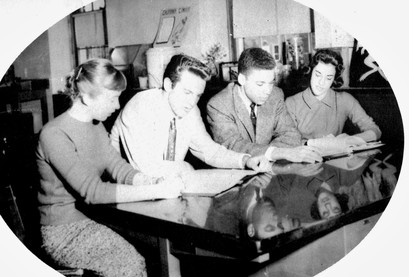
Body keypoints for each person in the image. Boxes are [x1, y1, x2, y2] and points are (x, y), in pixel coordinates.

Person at [36, 59, 184, 277]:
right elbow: (93, 192)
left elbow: (117, 167)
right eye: (112, 99)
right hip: (63, 231)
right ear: (86, 98)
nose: (117, 106)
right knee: (131, 265)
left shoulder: (96, 125)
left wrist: (150, 181)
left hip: (97, 217)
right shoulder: (54, 134)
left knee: (157, 248)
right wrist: (157, 192)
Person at [110, 54, 270, 178]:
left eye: (197, 95)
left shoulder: (188, 110)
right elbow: (145, 170)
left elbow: (210, 151)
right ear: (168, 85)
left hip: (163, 188)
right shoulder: (141, 107)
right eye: (187, 92)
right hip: (121, 191)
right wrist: (184, 168)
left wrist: (245, 160)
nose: (192, 101)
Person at [206, 47, 322, 164]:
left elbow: (290, 134)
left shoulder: (275, 95)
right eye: (260, 84)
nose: (267, 91)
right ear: (241, 79)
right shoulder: (219, 105)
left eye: (271, 83)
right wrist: (278, 153)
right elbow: (233, 145)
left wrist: (271, 155)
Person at [285, 49, 382, 149]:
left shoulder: (344, 100)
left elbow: (375, 130)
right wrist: (314, 143)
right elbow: (286, 141)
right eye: (318, 75)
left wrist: (349, 140)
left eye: (328, 78)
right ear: (310, 72)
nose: (321, 82)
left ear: (334, 79)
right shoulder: (292, 103)